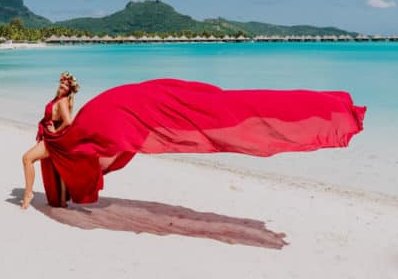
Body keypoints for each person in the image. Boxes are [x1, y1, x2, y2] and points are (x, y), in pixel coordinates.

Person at [20, 76, 366, 211]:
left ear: (69, 91)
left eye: (66, 88)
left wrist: (55, 129)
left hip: (58, 139)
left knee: (219, 106)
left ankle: (35, 197)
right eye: (62, 87)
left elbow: (67, 124)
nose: (63, 91)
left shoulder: (67, 105)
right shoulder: (65, 98)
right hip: (58, 137)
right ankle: (53, 197)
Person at [21, 72, 79, 210]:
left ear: (69, 90)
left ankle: (28, 193)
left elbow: (68, 122)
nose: (62, 86)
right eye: (62, 83)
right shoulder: (57, 99)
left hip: (53, 140)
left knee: (27, 159)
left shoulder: (63, 101)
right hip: (51, 137)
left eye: (66, 85)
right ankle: (62, 200)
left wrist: (55, 133)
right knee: (58, 167)